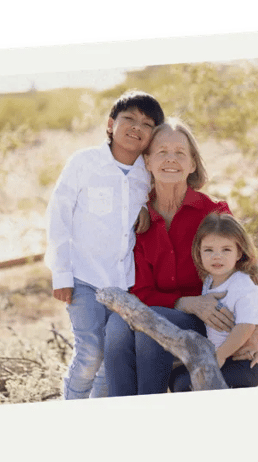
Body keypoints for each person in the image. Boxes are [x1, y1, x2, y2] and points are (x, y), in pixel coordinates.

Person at [105, 118, 258, 396]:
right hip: (166, 310)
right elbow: (140, 291)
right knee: (117, 328)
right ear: (147, 162)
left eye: (180, 153)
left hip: (212, 325)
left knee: (152, 325)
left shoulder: (213, 213)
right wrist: (189, 303)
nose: (171, 159)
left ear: (192, 164)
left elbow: (254, 275)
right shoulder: (137, 217)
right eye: (162, 152)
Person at [45, 90, 165, 399]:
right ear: (111, 124)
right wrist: (61, 274)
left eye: (147, 123)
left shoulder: (147, 173)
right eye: (129, 118)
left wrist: (145, 211)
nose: (136, 127)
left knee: (110, 361)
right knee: (91, 352)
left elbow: (152, 208)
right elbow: (59, 215)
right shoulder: (85, 162)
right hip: (83, 278)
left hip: (124, 283)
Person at [168, 213, 258, 392]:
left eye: (226, 250)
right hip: (222, 358)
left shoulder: (243, 286)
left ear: (239, 253)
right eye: (209, 250)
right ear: (199, 252)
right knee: (176, 377)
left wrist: (218, 357)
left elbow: (245, 328)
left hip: (242, 364)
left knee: (185, 385)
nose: (216, 257)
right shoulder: (210, 281)